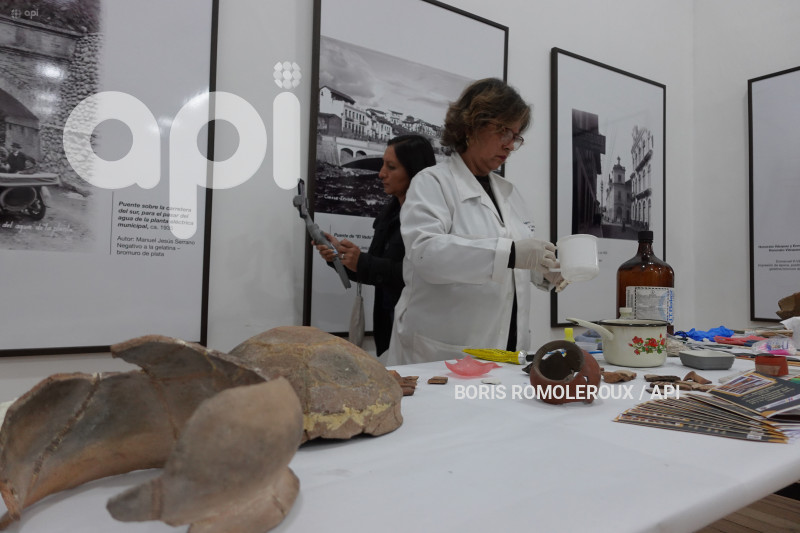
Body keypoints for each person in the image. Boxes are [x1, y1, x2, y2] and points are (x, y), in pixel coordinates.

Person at [385, 78, 567, 365]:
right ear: (470, 126)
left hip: (507, 348)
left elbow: (513, 265)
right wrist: (511, 254)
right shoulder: (433, 182)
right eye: (503, 131)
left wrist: (544, 270)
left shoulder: (509, 194)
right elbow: (426, 253)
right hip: (445, 352)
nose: (510, 145)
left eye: (516, 136)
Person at [315, 134, 436, 356]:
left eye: (391, 167)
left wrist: (362, 262)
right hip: (387, 330)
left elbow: (423, 274)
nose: (381, 174)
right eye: (383, 165)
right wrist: (339, 256)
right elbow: (373, 270)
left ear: (415, 172)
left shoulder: (432, 220)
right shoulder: (389, 214)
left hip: (416, 333)